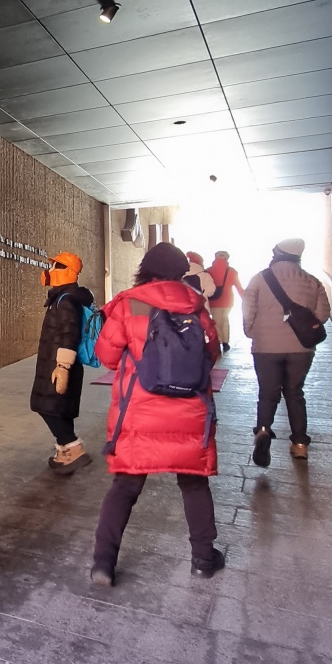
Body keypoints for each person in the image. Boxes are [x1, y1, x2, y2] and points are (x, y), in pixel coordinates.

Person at [89, 242, 225, 586]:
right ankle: (203, 559)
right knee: (194, 483)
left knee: (125, 486)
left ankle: (103, 563)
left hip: (139, 411)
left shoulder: (130, 303)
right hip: (190, 411)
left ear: (145, 270)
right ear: (180, 272)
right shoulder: (196, 305)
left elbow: (107, 356)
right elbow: (212, 353)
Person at [242, 238, 331, 464]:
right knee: (295, 393)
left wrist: (252, 332)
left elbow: (248, 310)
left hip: (266, 347)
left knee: (267, 393)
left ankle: (263, 431)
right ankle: (300, 444)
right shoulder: (312, 281)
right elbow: (322, 315)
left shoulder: (259, 278)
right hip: (301, 348)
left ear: (277, 253)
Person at [31, 252, 97, 475]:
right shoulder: (62, 298)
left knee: (48, 408)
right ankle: (64, 452)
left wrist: (63, 367)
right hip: (55, 364)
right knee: (58, 409)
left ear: (68, 272)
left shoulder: (67, 300)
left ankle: (73, 447)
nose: (50, 271)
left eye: (56, 266)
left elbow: (69, 333)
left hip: (60, 365)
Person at [204, 251, 245, 352]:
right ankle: (225, 342)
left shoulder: (208, 271)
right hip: (228, 301)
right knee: (225, 319)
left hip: (214, 301)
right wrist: (246, 298)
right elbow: (239, 287)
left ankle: (218, 342)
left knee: (216, 322)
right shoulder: (232, 271)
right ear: (227, 258)